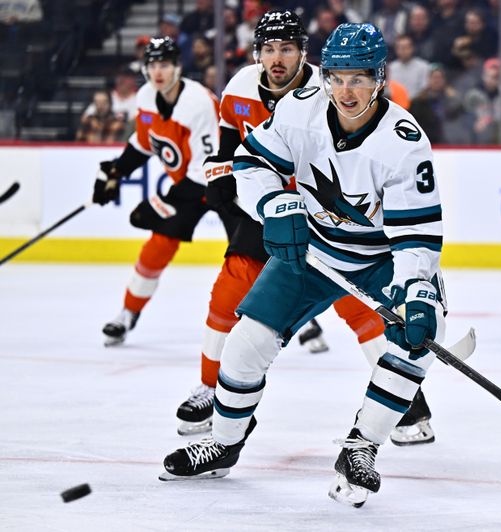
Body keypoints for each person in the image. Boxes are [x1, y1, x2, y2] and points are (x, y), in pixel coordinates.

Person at [161, 22, 446, 509]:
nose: (346, 90)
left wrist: (417, 291)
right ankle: (225, 443)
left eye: (358, 78)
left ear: (379, 78)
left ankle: (361, 448)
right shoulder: (299, 110)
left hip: (380, 260)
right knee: (245, 342)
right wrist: (274, 205)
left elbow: (416, 236)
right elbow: (252, 164)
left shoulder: (404, 140)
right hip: (313, 253)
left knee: (414, 342)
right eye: (337, 76)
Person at [91, 37, 220, 346]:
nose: (158, 72)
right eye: (152, 65)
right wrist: (118, 170)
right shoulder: (146, 96)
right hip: (190, 186)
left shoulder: (199, 103)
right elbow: (146, 141)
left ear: (178, 67)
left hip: (227, 184)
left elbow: (207, 169)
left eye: (164, 65)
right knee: (157, 247)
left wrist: (161, 203)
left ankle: (305, 324)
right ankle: (127, 313)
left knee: (255, 253)